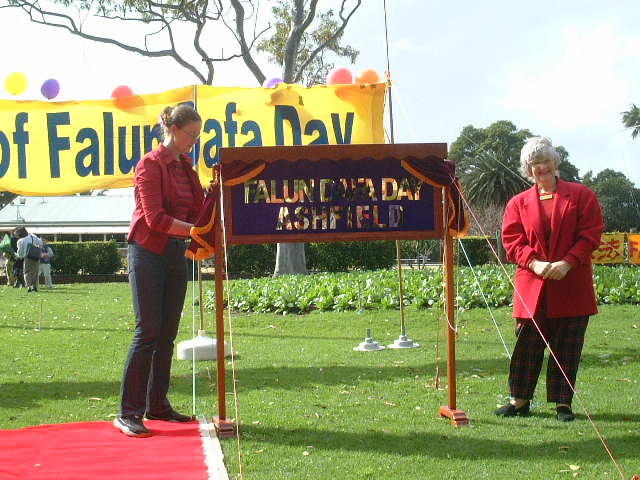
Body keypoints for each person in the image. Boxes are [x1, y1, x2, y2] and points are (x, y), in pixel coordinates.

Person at [495, 137, 604, 422]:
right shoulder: (518, 203)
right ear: (528, 169)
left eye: (545, 161)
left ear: (555, 163)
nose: (541, 167)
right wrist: (534, 262)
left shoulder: (581, 195)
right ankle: (519, 401)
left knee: (567, 346)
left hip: (571, 283)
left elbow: (591, 234)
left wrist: (567, 262)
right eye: (535, 163)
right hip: (532, 285)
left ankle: (562, 403)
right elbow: (512, 240)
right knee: (527, 345)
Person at [113, 104, 205, 438]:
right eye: (191, 134)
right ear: (173, 129)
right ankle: (128, 413)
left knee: (167, 334)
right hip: (147, 252)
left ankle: (158, 405)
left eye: (197, 135)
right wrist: (195, 230)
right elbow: (155, 219)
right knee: (147, 332)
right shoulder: (149, 164)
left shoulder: (186, 167)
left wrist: (210, 214)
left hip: (175, 254)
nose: (194, 140)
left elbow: (199, 210)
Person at [14, 227, 43, 292]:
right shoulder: (33, 236)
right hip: (36, 257)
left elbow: (20, 252)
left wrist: (17, 256)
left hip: (28, 257)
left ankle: (29, 286)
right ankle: (34, 286)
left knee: (27, 272)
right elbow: (40, 243)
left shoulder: (21, 241)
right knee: (35, 272)